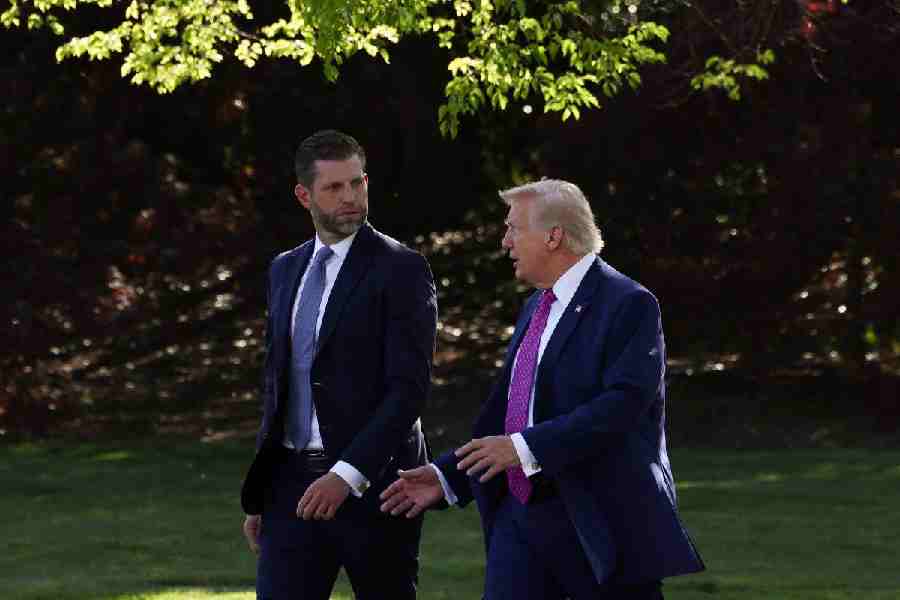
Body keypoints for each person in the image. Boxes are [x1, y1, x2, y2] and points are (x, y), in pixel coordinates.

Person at [380, 179, 704, 600]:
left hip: (599, 521)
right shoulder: (536, 305)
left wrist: (525, 448)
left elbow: (622, 406)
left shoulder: (629, 302)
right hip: (520, 517)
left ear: (554, 236)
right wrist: (447, 476)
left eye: (514, 228)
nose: (505, 241)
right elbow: (509, 411)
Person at [240, 129, 438, 600]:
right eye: (334, 188)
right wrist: (264, 491)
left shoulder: (401, 268)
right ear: (303, 194)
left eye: (357, 183)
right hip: (290, 486)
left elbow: (408, 389)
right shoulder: (284, 269)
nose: (350, 197)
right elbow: (279, 382)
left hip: (379, 487)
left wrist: (347, 474)